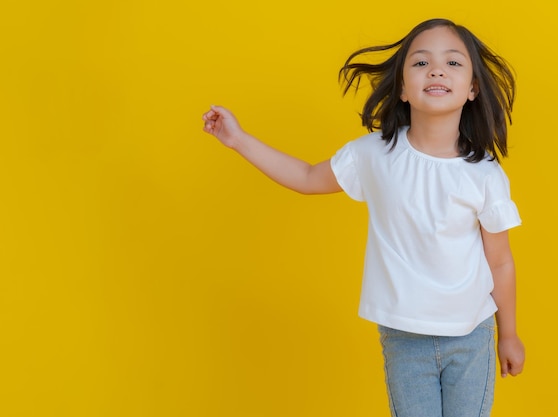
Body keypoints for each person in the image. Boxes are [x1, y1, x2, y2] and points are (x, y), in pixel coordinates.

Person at [202, 18, 524, 417]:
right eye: (421, 63)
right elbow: (306, 177)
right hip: (404, 338)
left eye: (453, 63)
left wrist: (507, 335)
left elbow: (501, 261)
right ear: (403, 88)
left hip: (472, 336)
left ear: (472, 88)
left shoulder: (485, 173)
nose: (437, 70)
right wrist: (238, 140)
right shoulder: (374, 155)